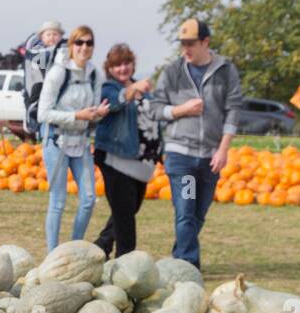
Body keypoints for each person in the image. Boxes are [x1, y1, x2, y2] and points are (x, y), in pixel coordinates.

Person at [149, 17, 243, 269]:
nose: (185, 50)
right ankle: (189, 266)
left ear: (205, 42)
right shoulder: (172, 72)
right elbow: (156, 109)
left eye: (191, 44)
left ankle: (178, 257)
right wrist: (181, 109)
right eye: (182, 44)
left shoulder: (226, 71)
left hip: (211, 157)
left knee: (198, 214)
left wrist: (223, 149)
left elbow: (233, 109)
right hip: (182, 157)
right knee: (186, 212)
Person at [38, 25, 108, 252]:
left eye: (89, 43)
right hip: (56, 142)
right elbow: (43, 113)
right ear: (71, 46)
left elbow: (93, 110)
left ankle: (74, 248)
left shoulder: (95, 74)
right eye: (79, 42)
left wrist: (98, 113)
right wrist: (76, 115)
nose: (84, 47)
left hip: (81, 142)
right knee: (58, 201)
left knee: (88, 199)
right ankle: (52, 253)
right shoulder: (59, 73)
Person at [92, 43, 158, 259]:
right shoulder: (108, 88)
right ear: (109, 68)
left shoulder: (144, 91)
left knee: (129, 209)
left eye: (126, 63)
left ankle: (102, 245)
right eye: (117, 65)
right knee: (125, 214)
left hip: (141, 161)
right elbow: (114, 103)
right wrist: (134, 89)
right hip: (115, 157)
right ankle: (126, 260)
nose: (122, 68)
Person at [21, 19, 67, 137]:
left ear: (61, 37)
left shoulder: (65, 52)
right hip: (41, 98)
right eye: (48, 34)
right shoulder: (37, 54)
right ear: (42, 37)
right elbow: (36, 80)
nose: (52, 37)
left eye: (55, 34)